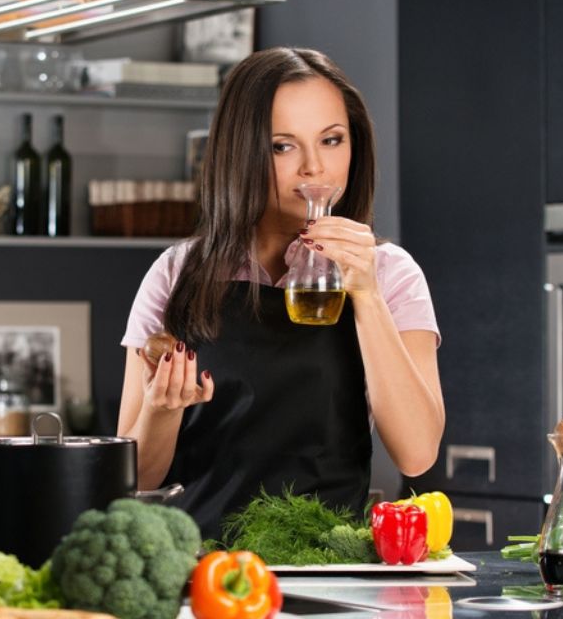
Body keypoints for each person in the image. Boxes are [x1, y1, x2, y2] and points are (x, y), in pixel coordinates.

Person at [117, 47, 444, 539]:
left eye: (331, 140)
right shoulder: (175, 274)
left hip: (334, 573)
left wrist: (367, 296)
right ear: (240, 152)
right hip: (203, 574)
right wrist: (161, 409)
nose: (315, 168)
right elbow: (134, 476)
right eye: (282, 147)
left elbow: (417, 454)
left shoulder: (392, 274)